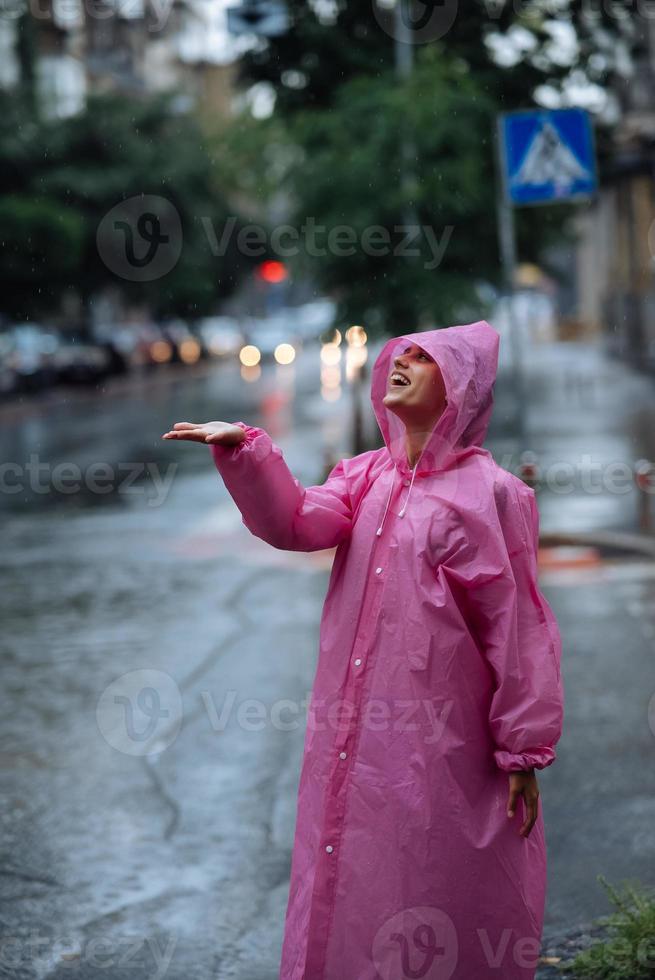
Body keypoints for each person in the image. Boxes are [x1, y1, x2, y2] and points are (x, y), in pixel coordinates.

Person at [161, 319, 564, 980]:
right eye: (397, 355)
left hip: (447, 739)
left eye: (422, 358)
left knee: (434, 877)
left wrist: (521, 746)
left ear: (459, 385)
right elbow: (296, 521)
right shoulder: (365, 476)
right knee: (354, 872)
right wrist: (247, 452)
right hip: (356, 734)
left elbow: (516, 626)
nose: (401, 363)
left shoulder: (491, 494)